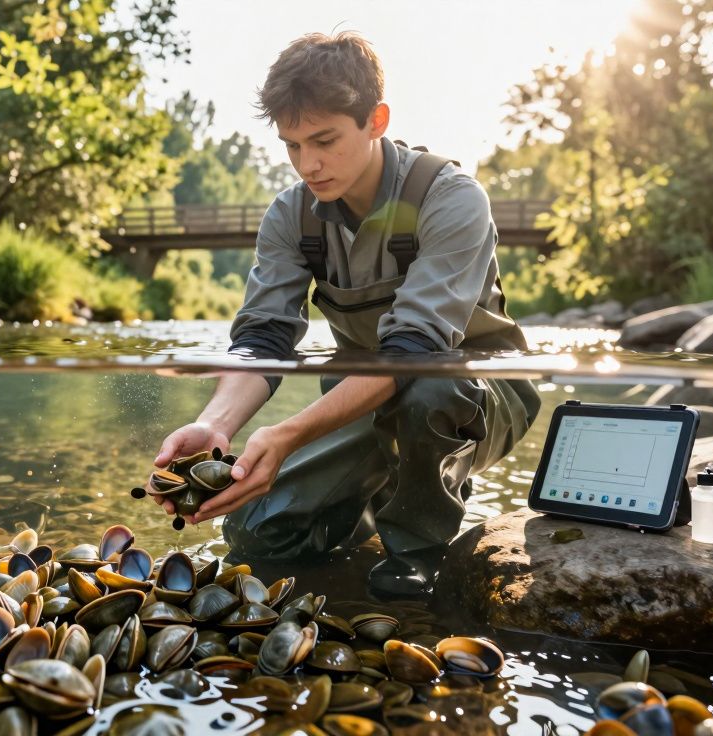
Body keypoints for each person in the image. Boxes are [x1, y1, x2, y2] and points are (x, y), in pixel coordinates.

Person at [147, 31, 541, 599]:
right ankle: (366, 501)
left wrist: (287, 434)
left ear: (376, 120)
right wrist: (218, 425)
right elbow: (263, 339)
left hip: (479, 398)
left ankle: (418, 545)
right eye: (292, 145)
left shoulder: (452, 198)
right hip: (358, 399)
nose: (308, 164)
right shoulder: (289, 217)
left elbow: (415, 354)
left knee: (430, 390)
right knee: (258, 536)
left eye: (325, 140)